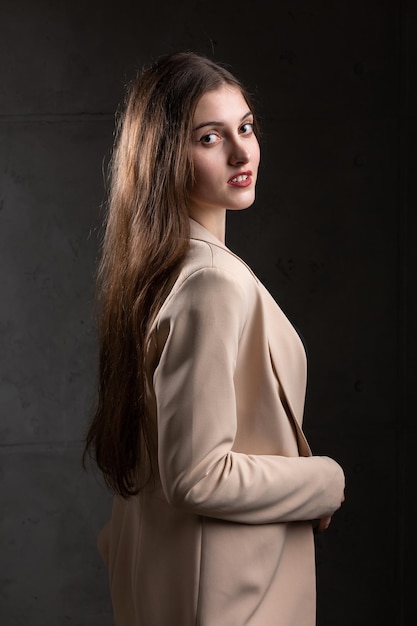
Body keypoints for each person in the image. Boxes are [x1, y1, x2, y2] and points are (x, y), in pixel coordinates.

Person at [83, 51, 345, 626]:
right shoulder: (210, 283)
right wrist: (325, 480)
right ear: (165, 155)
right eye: (209, 137)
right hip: (232, 603)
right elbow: (198, 474)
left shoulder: (156, 275)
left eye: (245, 127)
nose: (240, 151)